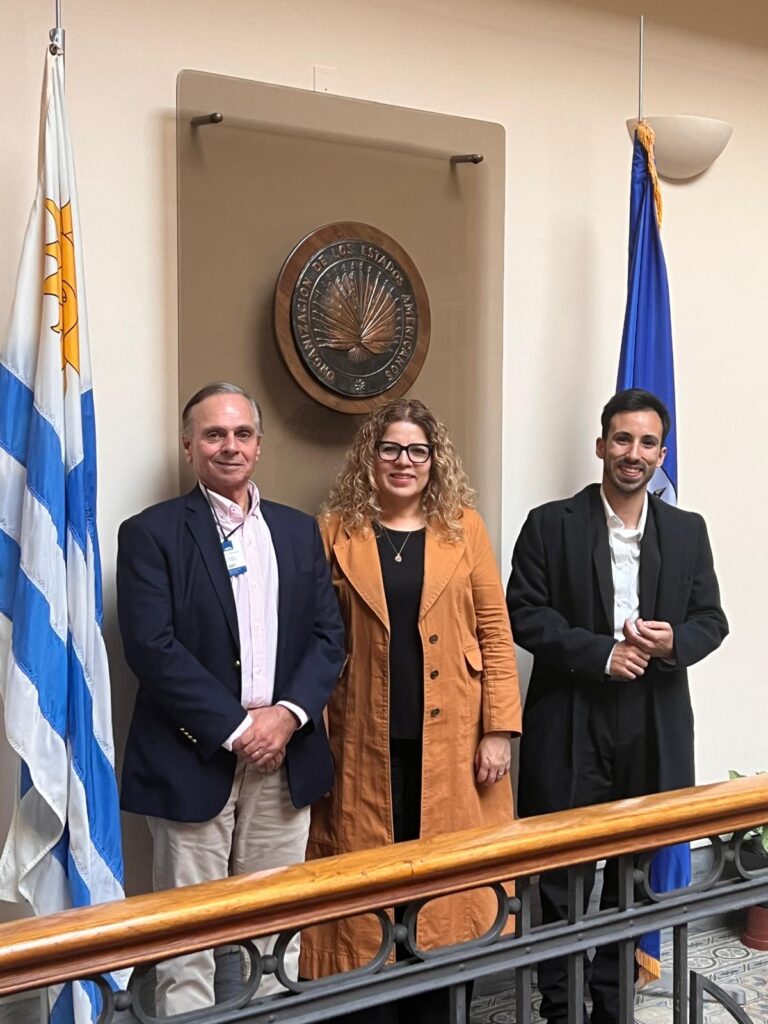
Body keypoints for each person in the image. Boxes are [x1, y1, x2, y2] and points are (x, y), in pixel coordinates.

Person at [116, 381, 345, 1016]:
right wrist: (238, 729)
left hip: (285, 760)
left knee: (277, 931)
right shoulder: (151, 533)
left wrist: (286, 717)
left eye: (242, 433)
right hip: (192, 757)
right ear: (188, 446)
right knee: (188, 939)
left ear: (259, 445)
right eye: (214, 434)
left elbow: (329, 638)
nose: (230, 446)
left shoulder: (298, 532)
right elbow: (152, 648)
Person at [506, 388, 728, 1024]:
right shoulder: (550, 523)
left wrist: (672, 642)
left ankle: (612, 1004)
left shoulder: (687, 531)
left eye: (648, 442)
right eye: (623, 439)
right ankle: (559, 1006)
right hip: (570, 716)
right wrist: (600, 653)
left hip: (653, 721)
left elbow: (711, 621)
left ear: (662, 455)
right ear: (601, 445)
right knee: (560, 873)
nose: (634, 453)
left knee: (633, 872)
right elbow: (523, 612)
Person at [300, 398, 522, 1022]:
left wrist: (499, 730)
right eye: (391, 448)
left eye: (417, 450)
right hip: (359, 741)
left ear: (434, 460)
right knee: (367, 880)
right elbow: (314, 638)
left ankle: (437, 1007)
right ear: (371, 458)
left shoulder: (464, 527)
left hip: (453, 744)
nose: (404, 461)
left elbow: (495, 631)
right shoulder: (334, 530)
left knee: (445, 886)